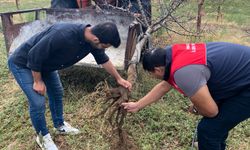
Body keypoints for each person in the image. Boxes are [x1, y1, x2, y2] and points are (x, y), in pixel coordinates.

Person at [8, 22, 132, 150]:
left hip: (46, 65)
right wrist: (38, 81)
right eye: (105, 46)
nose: (103, 48)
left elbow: (103, 60)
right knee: (38, 102)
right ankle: (42, 137)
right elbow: (34, 55)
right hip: (23, 63)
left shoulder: (92, 42)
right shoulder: (62, 34)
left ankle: (60, 125)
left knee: (57, 92)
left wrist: (119, 78)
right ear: (96, 39)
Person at [122, 42, 250, 150]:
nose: (152, 77)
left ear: (158, 70)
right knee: (216, 126)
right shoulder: (171, 54)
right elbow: (163, 86)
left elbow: (211, 111)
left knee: (208, 130)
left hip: (246, 87)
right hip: (241, 75)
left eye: (151, 74)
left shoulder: (183, 73)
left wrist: (197, 108)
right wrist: (137, 105)